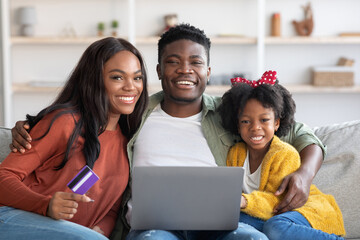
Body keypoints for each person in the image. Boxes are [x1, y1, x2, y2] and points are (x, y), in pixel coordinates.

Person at [10, 24, 326, 240]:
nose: (185, 69)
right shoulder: (134, 113)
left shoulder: (231, 113)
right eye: (173, 62)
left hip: (216, 225)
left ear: (208, 72)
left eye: (195, 62)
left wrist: (305, 174)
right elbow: (88, 120)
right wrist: (31, 127)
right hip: (152, 227)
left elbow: (298, 131)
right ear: (159, 71)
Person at [0, 37, 148, 240]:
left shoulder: (127, 142)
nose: (131, 87)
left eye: (137, 78)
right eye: (117, 77)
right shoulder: (65, 122)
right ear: (94, 79)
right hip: (15, 218)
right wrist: (46, 205)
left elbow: (112, 210)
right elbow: (3, 178)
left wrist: (99, 230)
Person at [218, 71, 345, 240]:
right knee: (232, 222)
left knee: (275, 227)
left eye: (264, 120)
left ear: (276, 123)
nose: (255, 128)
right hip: (267, 214)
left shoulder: (284, 154)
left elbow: (279, 204)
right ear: (238, 124)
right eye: (246, 121)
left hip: (300, 210)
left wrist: (244, 201)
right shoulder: (235, 153)